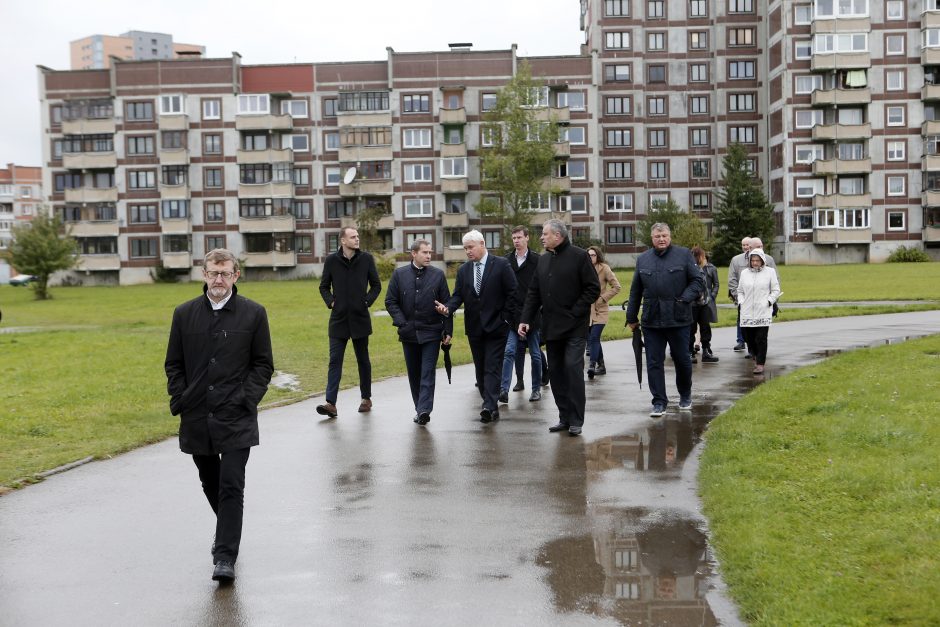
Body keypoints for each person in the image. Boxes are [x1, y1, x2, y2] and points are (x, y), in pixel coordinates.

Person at [164, 248, 274, 583]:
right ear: (203, 274)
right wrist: (180, 396)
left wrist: (247, 398)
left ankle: (225, 555)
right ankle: (226, 528)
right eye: (213, 273)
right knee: (209, 480)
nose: (219, 280)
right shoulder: (184, 315)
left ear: (236, 275)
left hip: (236, 413)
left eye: (225, 273)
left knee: (230, 484)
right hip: (197, 413)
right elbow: (174, 364)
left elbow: (263, 364)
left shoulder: (253, 314)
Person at [519, 219, 600, 436]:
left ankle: (576, 419)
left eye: (545, 234)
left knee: (572, 369)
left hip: (575, 326)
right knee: (556, 373)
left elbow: (593, 289)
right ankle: (564, 417)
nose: (542, 238)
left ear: (558, 235)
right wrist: (525, 319)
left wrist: (576, 311)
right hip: (552, 327)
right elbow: (533, 293)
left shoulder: (579, 256)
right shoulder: (543, 260)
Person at [436, 230, 517, 424]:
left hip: (497, 327)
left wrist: (505, 318)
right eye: (465, 248)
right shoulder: (464, 270)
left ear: (482, 244)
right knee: (480, 368)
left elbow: (513, 292)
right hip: (474, 328)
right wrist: (447, 308)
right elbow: (458, 296)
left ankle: (488, 406)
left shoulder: (501, 265)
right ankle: (490, 404)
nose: (468, 252)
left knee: (492, 366)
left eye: (470, 247)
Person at [625, 223, 704, 418]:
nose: (661, 239)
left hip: (678, 318)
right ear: (652, 238)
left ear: (670, 236)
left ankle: (685, 395)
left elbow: (697, 281)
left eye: (665, 235)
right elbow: (636, 291)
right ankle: (659, 402)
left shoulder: (683, 255)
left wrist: (685, 298)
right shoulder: (643, 259)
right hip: (652, 320)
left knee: (682, 359)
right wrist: (631, 317)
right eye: (657, 236)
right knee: (653, 362)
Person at [385, 239, 453, 426]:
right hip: (408, 333)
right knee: (414, 374)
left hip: (431, 332)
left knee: (427, 372)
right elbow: (390, 301)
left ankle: (424, 410)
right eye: (425, 252)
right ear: (414, 254)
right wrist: (402, 323)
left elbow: (446, 304)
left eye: (430, 252)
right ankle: (419, 409)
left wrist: (448, 330)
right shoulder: (399, 275)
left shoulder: (438, 275)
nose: (429, 256)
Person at [316, 227, 382, 418]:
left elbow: (376, 285)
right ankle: (330, 404)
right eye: (353, 237)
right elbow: (323, 286)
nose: (357, 239)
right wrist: (331, 302)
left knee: (363, 361)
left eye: (358, 236)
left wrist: (367, 301)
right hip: (338, 320)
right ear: (343, 241)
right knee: (335, 361)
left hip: (360, 319)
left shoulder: (366, 259)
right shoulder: (331, 261)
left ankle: (366, 398)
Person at [499, 226, 543, 403]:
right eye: (514, 238)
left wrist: (535, 313)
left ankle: (536, 389)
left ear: (527, 238)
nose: (516, 240)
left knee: (535, 354)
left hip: (532, 315)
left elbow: (541, 289)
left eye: (519, 237)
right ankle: (503, 390)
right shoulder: (506, 261)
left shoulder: (537, 261)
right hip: (512, 316)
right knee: (509, 351)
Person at [736, 248, 781, 375]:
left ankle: (760, 363)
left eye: (757, 260)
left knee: (761, 338)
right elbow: (740, 290)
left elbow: (776, 290)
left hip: (763, 310)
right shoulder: (744, 273)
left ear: (762, 261)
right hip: (747, 310)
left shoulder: (770, 272)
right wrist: (741, 301)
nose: (755, 263)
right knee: (748, 337)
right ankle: (755, 354)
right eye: (753, 260)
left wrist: (768, 301)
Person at [586, 245, 621, 379]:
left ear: (598, 256)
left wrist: (602, 298)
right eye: (588, 255)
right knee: (592, 338)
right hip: (587, 310)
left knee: (594, 337)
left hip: (600, 309)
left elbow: (617, 287)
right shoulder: (583, 268)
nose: (591, 257)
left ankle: (592, 365)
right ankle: (601, 365)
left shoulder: (604, 268)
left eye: (593, 255)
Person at [689, 246, 719, 364]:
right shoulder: (690, 268)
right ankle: (690, 351)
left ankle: (706, 351)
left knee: (705, 327)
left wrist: (711, 297)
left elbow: (713, 285)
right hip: (692, 304)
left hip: (704, 303)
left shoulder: (708, 268)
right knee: (691, 328)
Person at [726, 237, 752, 352]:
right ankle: (741, 341)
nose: (745, 247)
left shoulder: (760, 259)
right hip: (741, 296)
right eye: (743, 245)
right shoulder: (736, 260)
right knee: (740, 318)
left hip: (755, 295)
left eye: (747, 245)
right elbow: (732, 279)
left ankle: (753, 343)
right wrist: (737, 295)